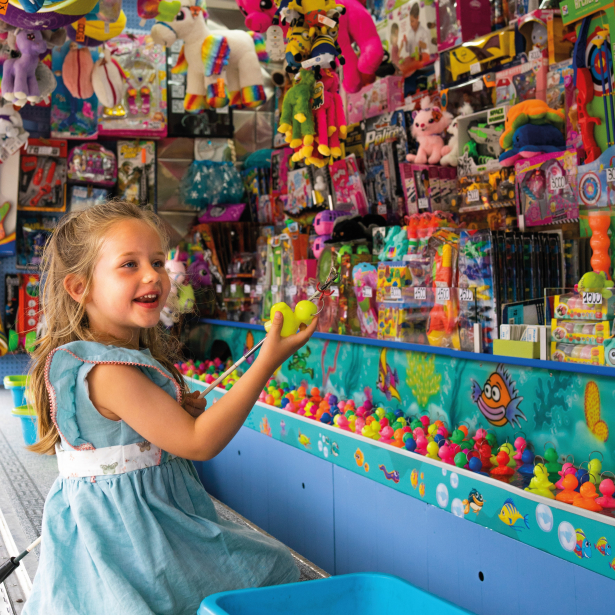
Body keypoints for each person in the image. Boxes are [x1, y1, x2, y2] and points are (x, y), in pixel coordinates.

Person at [23, 200, 317, 615]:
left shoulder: (109, 359)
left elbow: (156, 436)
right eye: (129, 264)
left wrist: (175, 417)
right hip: (139, 543)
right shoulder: (109, 371)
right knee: (272, 568)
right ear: (79, 287)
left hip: (141, 530)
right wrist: (266, 359)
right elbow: (199, 443)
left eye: (158, 262)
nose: (152, 276)